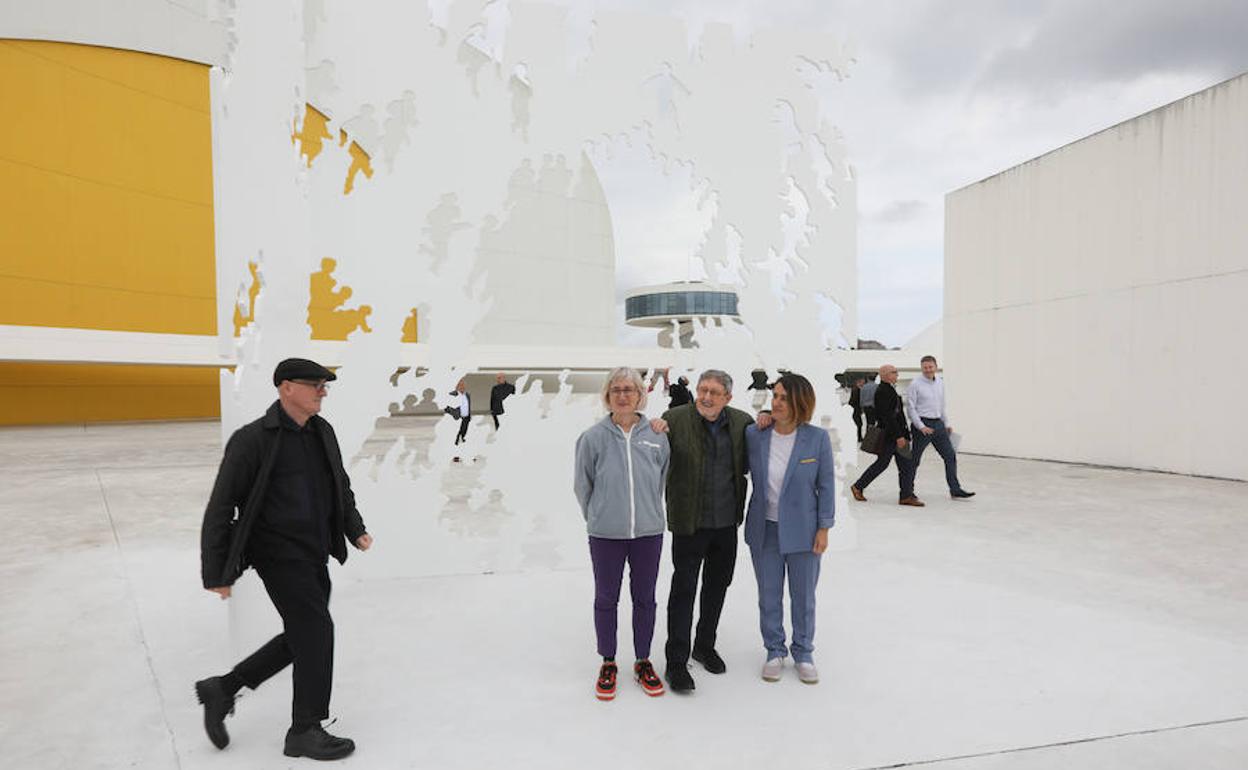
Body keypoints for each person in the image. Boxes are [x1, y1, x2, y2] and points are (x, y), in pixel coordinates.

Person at [196, 358, 373, 761]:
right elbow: (220, 508)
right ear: (286, 388)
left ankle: (223, 688)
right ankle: (305, 729)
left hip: (316, 551)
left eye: (325, 385)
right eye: (315, 384)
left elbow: (338, 484)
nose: (322, 391)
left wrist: (354, 528)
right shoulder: (252, 440)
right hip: (277, 555)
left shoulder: (322, 432)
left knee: (304, 635)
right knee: (316, 631)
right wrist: (217, 572)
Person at [656, 370, 767, 693]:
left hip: (726, 524)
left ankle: (704, 645)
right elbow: (654, 451)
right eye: (703, 390)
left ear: (728, 398)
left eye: (714, 392)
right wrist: (654, 426)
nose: (706, 397)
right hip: (689, 523)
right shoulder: (674, 419)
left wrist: (765, 418)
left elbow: (756, 451)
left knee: (717, 586)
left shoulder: (741, 422)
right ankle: (676, 661)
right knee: (683, 591)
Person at [574, 367, 670, 701]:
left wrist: (649, 513)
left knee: (645, 599)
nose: (623, 394)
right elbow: (582, 485)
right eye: (616, 389)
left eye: (629, 389)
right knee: (606, 599)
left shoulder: (657, 434)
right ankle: (608, 661)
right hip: (606, 535)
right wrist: (600, 517)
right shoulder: (592, 437)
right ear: (607, 396)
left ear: (640, 393)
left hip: (648, 533)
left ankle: (643, 660)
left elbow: (662, 480)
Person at [744, 373, 834, 684]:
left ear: (799, 401)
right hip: (764, 529)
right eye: (775, 396)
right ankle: (774, 649)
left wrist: (824, 527)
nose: (776, 402)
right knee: (768, 594)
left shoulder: (816, 439)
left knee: (803, 595)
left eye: (783, 397)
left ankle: (804, 651)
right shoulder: (755, 435)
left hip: (804, 530)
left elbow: (826, 485)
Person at [850, 364, 923, 507]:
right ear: (884, 375)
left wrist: (903, 434)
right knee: (883, 464)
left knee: (905, 465)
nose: (897, 375)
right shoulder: (883, 391)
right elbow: (887, 417)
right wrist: (899, 436)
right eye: (893, 372)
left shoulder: (889, 389)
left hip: (898, 435)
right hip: (892, 437)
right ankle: (858, 486)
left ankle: (906, 495)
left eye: (896, 372)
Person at [906, 356, 975, 499]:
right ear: (921, 368)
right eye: (925, 367)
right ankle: (908, 492)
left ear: (936, 367)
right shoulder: (915, 384)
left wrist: (946, 424)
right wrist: (921, 426)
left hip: (939, 425)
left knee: (950, 456)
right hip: (922, 426)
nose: (928, 370)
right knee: (914, 460)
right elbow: (911, 408)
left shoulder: (940, 383)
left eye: (930, 367)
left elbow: (942, 406)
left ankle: (955, 489)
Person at [451, 378, 471, 448]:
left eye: (463, 385)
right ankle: (456, 442)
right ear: (457, 386)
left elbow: (468, 405)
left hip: (466, 415)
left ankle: (461, 438)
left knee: (464, 428)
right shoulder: (453, 394)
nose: (462, 386)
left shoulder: (467, 394)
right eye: (460, 385)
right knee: (458, 429)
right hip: (458, 415)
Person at [848, 375, 865, 443]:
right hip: (856, 409)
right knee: (859, 424)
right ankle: (859, 438)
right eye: (862, 382)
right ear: (859, 382)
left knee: (859, 424)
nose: (863, 384)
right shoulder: (857, 390)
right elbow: (855, 400)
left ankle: (859, 437)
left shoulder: (855, 389)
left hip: (856, 409)